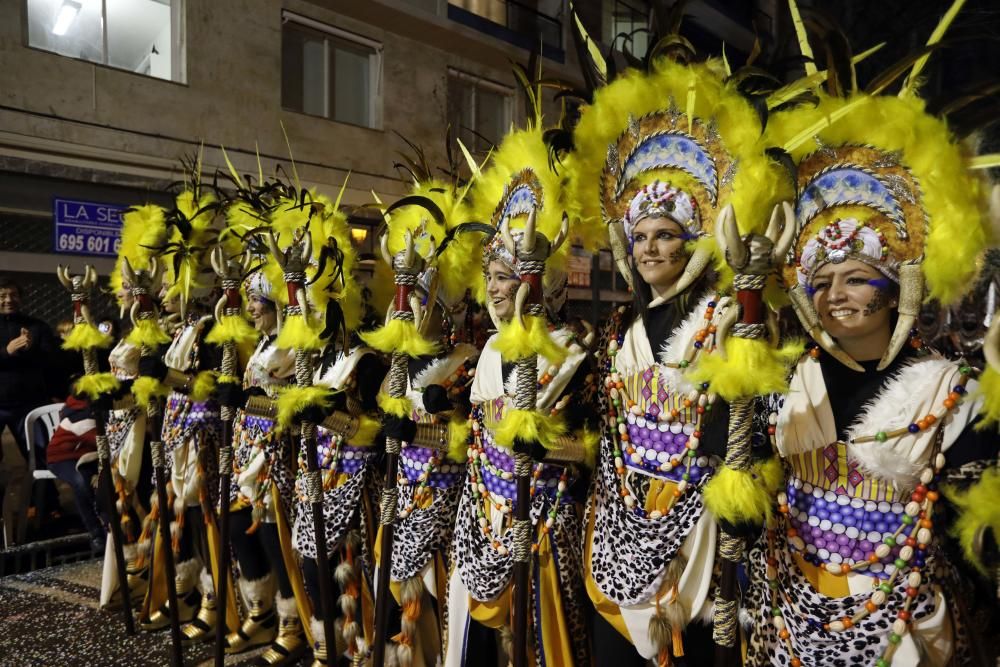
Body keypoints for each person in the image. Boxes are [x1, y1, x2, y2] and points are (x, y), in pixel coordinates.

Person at [744, 76, 998, 665]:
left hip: (905, 629)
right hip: (788, 619)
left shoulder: (950, 393)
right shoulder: (779, 385)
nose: (837, 295)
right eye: (823, 282)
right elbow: (744, 490)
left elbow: (976, 536)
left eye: (856, 277)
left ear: (895, 287)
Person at [567, 47, 793, 664]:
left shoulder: (728, 317)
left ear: (695, 238)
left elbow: (758, 424)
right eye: (638, 237)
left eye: (664, 234)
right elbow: (603, 430)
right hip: (617, 529)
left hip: (696, 540)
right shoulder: (621, 328)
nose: (647, 249)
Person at [444, 125, 601, 667]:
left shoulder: (574, 354)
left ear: (539, 282)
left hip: (544, 524)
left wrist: (549, 452)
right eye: (490, 274)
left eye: (507, 275)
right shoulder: (487, 353)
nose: (494, 287)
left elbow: (593, 453)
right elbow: (478, 436)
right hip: (481, 513)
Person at [365, 171, 482, 667]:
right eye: (409, 299)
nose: (412, 307)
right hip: (403, 497)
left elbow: (472, 434)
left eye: (423, 299)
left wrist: (427, 427)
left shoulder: (470, 357)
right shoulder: (399, 363)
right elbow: (374, 422)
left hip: (453, 509)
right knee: (394, 595)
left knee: (445, 611)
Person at [0, 275, 59, 463]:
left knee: (39, 455)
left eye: (14, 295)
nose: (9, 300)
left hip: (29, 404)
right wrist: (7, 351)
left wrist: (29, 350)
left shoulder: (37, 327)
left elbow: (52, 363)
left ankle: (43, 492)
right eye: (2, 296)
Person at [45, 391, 105, 551]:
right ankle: (96, 533)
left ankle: (107, 527)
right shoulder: (78, 416)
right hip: (62, 458)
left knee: (94, 479)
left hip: (87, 454)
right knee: (81, 482)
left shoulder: (91, 408)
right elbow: (103, 443)